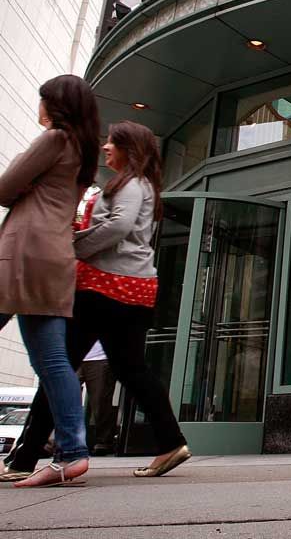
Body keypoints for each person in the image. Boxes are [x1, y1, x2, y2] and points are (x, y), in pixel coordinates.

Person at [4, 121, 191, 480]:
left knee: (57, 366)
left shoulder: (133, 184)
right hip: (125, 288)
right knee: (128, 368)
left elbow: (119, 227)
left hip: (107, 288)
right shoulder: (136, 184)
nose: (105, 148)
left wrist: (73, 246)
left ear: (129, 149)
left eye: (112, 143)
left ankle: (23, 459)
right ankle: (170, 442)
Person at [0, 75, 99, 487]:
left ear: (56, 105)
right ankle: (73, 452)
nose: (38, 108)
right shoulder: (85, 151)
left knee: (52, 361)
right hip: (55, 255)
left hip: (24, 252)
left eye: (42, 100)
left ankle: (72, 452)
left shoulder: (56, 139)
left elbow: (5, 189)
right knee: (53, 361)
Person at [78, 342, 117, 456]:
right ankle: (51, 444)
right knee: (62, 399)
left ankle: (104, 442)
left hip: (100, 357)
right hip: (69, 354)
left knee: (101, 403)